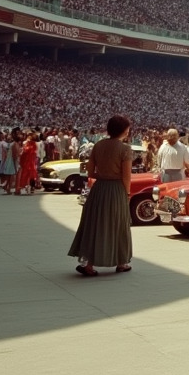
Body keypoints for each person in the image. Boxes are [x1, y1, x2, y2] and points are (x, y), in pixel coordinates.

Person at [68, 114, 134, 276]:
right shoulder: (125, 149)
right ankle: (121, 262)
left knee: (95, 224)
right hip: (116, 189)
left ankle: (89, 264)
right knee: (119, 224)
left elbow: (90, 171)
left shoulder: (98, 145)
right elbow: (126, 176)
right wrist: (127, 192)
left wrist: (102, 175)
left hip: (99, 189)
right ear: (124, 131)